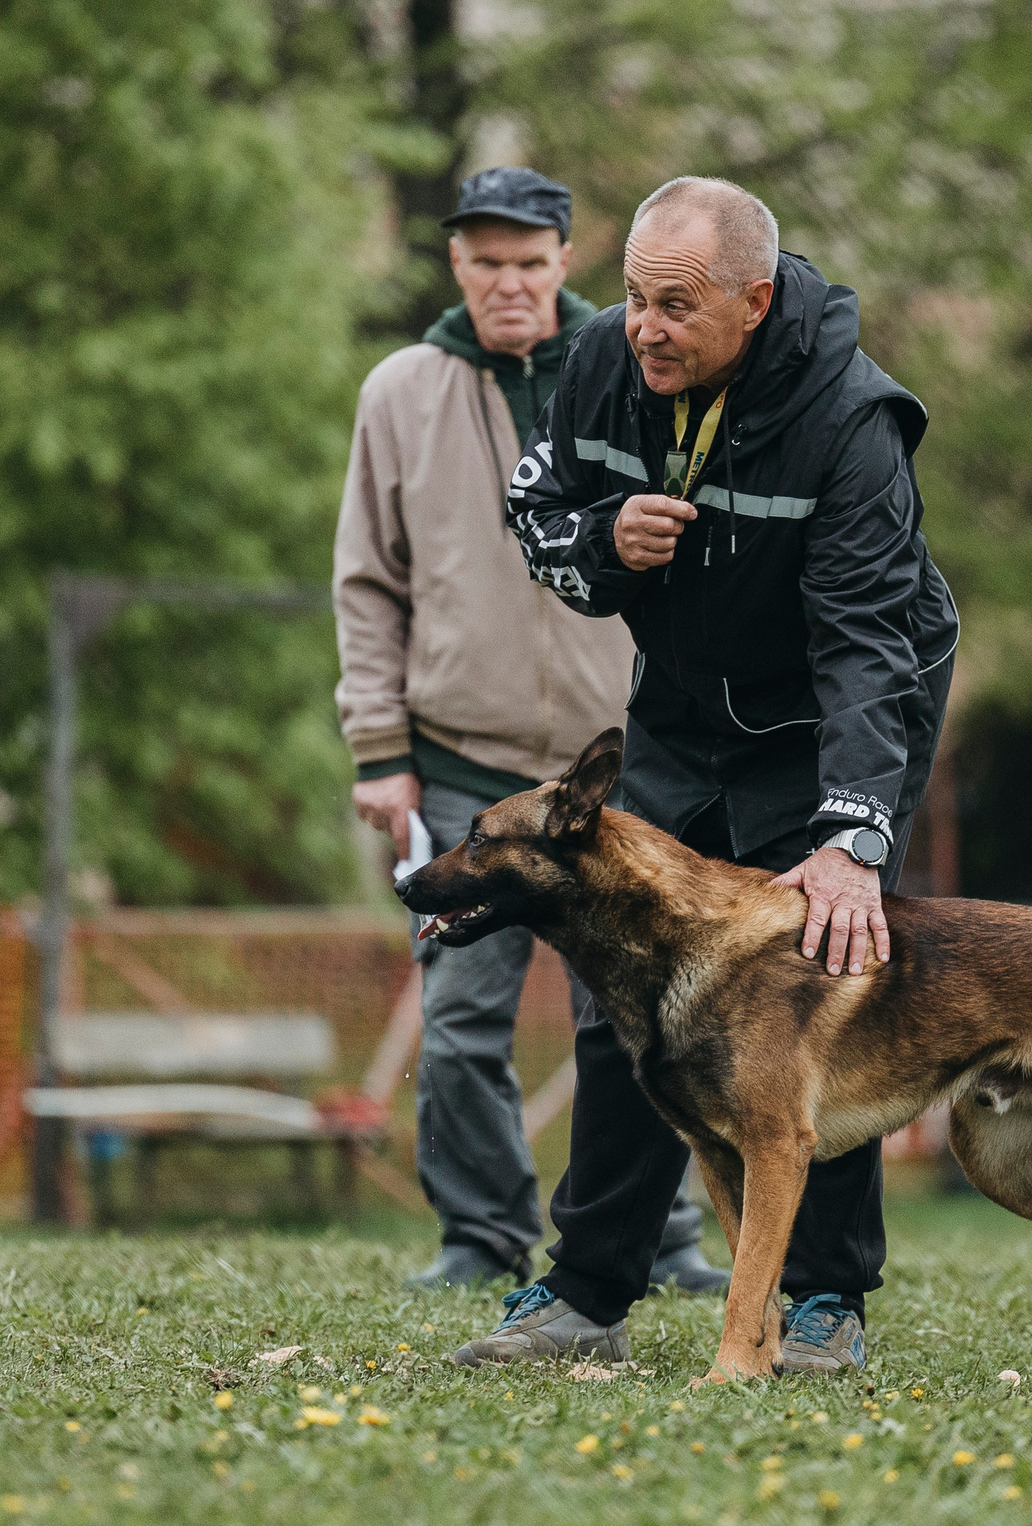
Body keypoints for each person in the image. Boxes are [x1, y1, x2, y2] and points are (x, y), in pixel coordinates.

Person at [456, 176, 958, 1372]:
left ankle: (827, 1301)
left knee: (815, 981)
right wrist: (603, 546)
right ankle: (587, 1292)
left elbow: (865, 645)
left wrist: (850, 838)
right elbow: (536, 519)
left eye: (675, 305)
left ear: (755, 300)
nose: (644, 328)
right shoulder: (594, 363)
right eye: (632, 297)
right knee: (618, 981)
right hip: (681, 709)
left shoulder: (851, 417)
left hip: (831, 717)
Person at [334, 167, 725, 1292]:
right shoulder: (400, 389)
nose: (508, 282)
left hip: (616, 767)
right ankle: (480, 1238)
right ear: (456, 264)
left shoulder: (631, 366)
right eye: (485, 261)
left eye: (529, 261)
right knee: (461, 1023)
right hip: (463, 758)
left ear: (565, 261)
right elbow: (369, 583)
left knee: (650, 1014)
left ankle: (665, 1241)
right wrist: (380, 753)